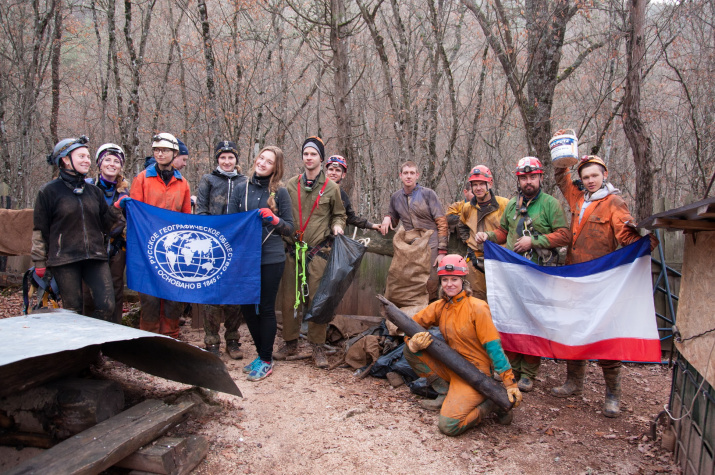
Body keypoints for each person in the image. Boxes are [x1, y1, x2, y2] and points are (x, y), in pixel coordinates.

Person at [552, 153, 658, 417]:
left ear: (604, 175)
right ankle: (574, 383)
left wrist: (644, 244)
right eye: (585, 176)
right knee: (574, 330)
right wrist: (562, 156)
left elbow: (625, 236)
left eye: (594, 176)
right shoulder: (578, 197)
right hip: (575, 276)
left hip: (602, 280)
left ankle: (613, 395)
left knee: (604, 334)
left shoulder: (614, 203)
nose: (589, 181)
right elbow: (561, 179)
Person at [475, 156, 570, 392]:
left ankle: (529, 373)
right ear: (519, 180)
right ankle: (512, 367)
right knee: (511, 318)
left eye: (532, 177)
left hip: (539, 272)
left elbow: (564, 235)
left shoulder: (550, 204)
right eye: (524, 178)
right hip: (512, 274)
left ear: (540, 178)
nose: (528, 181)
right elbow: (503, 231)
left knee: (532, 320)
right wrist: (488, 236)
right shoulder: (512, 204)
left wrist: (534, 241)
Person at [403, 254, 522, 436]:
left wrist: (509, 382)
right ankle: (444, 393)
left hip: (475, 374)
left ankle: (492, 403)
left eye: (454, 279)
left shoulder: (478, 307)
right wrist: (411, 342)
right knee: (410, 350)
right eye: (445, 280)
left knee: (448, 426)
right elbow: (411, 324)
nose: (449, 284)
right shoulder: (441, 306)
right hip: (452, 365)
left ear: (463, 280)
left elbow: (494, 347)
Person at [275, 136, 346, 369]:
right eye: (306, 153)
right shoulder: (290, 185)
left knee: (317, 301)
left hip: (318, 253)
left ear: (321, 159)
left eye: (313, 154)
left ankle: (317, 346)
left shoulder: (332, 188)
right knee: (289, 300)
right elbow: (275, 208)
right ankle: (290, 343)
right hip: (292, 251)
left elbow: (339, 214)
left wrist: (338, 226)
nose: (309, 157)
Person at [228, 146, 295, 381]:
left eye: (270, 161)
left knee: (265, 308)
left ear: (276, 168)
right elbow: (230, 223)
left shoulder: (280, 193)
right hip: (245, 258)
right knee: (247, 307)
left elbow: (290, 229)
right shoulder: (240, 189)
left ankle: (266, 360)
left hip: (271, 257)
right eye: (261, 158)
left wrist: (274, 219)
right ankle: (261, 354)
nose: (263, 163)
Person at [32, 136, 116, 321]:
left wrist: (117, 211)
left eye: (87, 156)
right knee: (73, 311)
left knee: (107, 305)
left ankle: (94, 344)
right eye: (81, 157)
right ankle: (79, 350)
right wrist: (39, 263)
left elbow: (106, 224)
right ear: (65, 160)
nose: (87, 160)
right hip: (64, 259)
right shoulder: (48, 192)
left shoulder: (94, 191)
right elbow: (39, 230)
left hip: (95, 256)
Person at [125, 133, 191, 337]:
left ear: (174, 153)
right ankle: (149, 338)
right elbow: (134, 215)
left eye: (164, 150)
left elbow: (187, 218)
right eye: (156, 150)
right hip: (147, 249)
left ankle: (171, 336)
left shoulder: (182, 184)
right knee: (149, 297)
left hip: (173, 250)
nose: (160, 153)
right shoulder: (142, 179)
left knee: (173, 297)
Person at [196, 140, 247, 358]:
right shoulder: (208, 180)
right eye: (223, 157)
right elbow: (201, 211)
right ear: (217, 159)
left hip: (238, 246)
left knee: (234, 295)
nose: (227, 161)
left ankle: (233, 340)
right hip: (212, 247)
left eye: (231, 157)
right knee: (212, 296)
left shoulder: (245, 181)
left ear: (237, 160)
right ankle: (211, 341)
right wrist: (214, 234)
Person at [380, 161, 449, 300]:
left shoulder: (428, 194)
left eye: (412, 173)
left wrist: (442, 251)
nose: (408, 176)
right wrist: (388, 217)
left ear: (417, 175)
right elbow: (394, 220)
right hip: (411, 244)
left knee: (431, 281)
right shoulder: (396, 197)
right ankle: (411, 316)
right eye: (405, 173)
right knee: (410, 281)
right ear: (400, 175)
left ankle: (430, 315)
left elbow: (442, 222)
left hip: (431, 242)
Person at [84, 143, 130, 323]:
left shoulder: (126, 190)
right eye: (107, 160)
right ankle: (88, 335)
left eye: (116, 161)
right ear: (99, 163)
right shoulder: (87, 186)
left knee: (116, 290)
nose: (112, 164)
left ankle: (114, 333)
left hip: (116, 246)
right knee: (88, 293)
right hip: (90, 247)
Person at [448, 165, 508, 301]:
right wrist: (469, 240)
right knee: (475, 299)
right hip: (475, 260)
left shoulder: (504, 204)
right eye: (475, 185)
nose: (478, 188)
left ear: (490, 184)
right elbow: (462, 225)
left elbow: (512, 227)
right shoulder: (467, 208)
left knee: (501, 299)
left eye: (482, 184)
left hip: (499, 258)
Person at [324, 155, 380, 232]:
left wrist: (371, 225)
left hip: (331, 236)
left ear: (343, 175)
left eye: (337, 170)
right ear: (326, 172)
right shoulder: (316, 189)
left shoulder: (342, 195)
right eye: (331, 169)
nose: (333, 173)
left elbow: (350, 217)